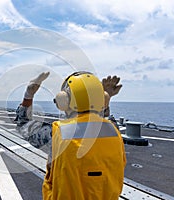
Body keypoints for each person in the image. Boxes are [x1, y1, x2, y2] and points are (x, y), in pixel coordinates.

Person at [15, 71, 126, 200]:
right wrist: (102, 100)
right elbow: (98, 122)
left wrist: (28, 94)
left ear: (64, 100)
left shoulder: (56, 133)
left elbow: (23, 125)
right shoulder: (113, 130)